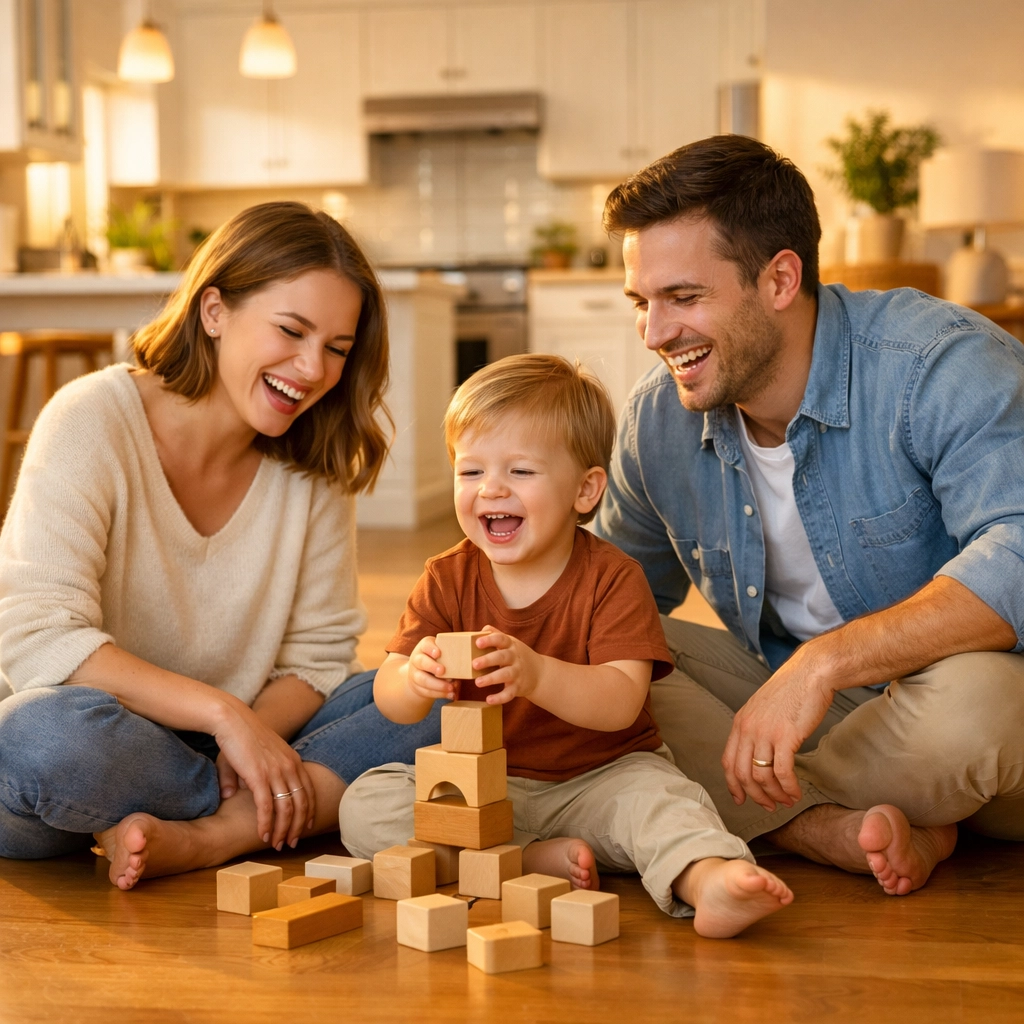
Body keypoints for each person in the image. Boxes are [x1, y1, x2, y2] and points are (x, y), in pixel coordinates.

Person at [592, 135, 1024, 897]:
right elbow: (599, 599)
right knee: (615, 656)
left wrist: (824, 664)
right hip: (800, 712)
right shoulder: (657, 421)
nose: (654, 335)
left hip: (949, 711)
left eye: (683, 298)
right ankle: (828, 828)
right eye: (642, 302)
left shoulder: (937, 364)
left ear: (781, 278)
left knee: (980, 710)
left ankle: (718, 812)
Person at [0, 202, 441, 889]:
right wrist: (225, 716)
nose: (312, 368)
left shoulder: (314, 462)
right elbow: (38, 638)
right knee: (36, 739)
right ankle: (276, 807)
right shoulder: (90, 419)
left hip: (248, 739)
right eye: (291, 331)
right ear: (214, 311)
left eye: (336, 348)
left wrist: (252, 734)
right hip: (93, 740)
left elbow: (317, 656)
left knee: (439, 693)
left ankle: (209, 834)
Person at [339, 354, 794, 937]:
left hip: (601, 778)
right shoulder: (446, 577)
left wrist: (535, 674)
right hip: (487, 787)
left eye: (520, 473)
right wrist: (412, 679)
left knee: (662, 802)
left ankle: (708, 878)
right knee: (367, 803)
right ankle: (526, 861)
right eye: (470, 472)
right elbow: (390, 698)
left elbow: (620, 702)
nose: (491, 489)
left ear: (585, 490)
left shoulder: (613, 577)